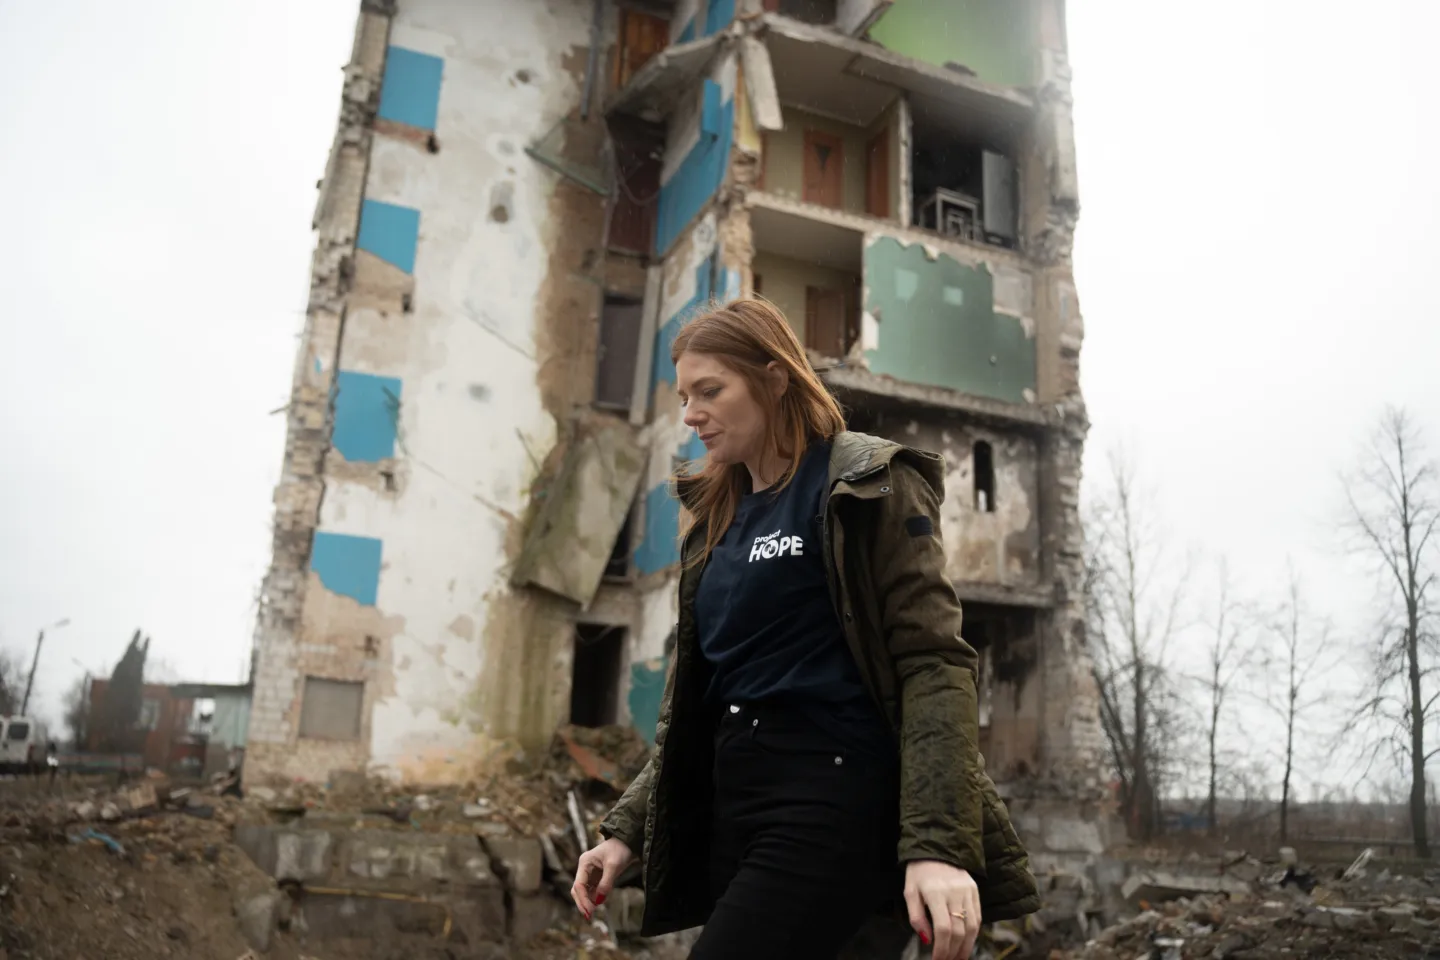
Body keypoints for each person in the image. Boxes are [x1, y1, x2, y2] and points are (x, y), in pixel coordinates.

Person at [571, 298, 1039, 960]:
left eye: (710, 390)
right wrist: (627, 832)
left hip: (831, 799)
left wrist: (937, 848)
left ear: (774, 378)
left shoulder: (863, 484)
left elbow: (932, 662)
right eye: (684, 396)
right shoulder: (714, 523)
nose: (689, 414)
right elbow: (700, 707)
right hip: (737, 812)